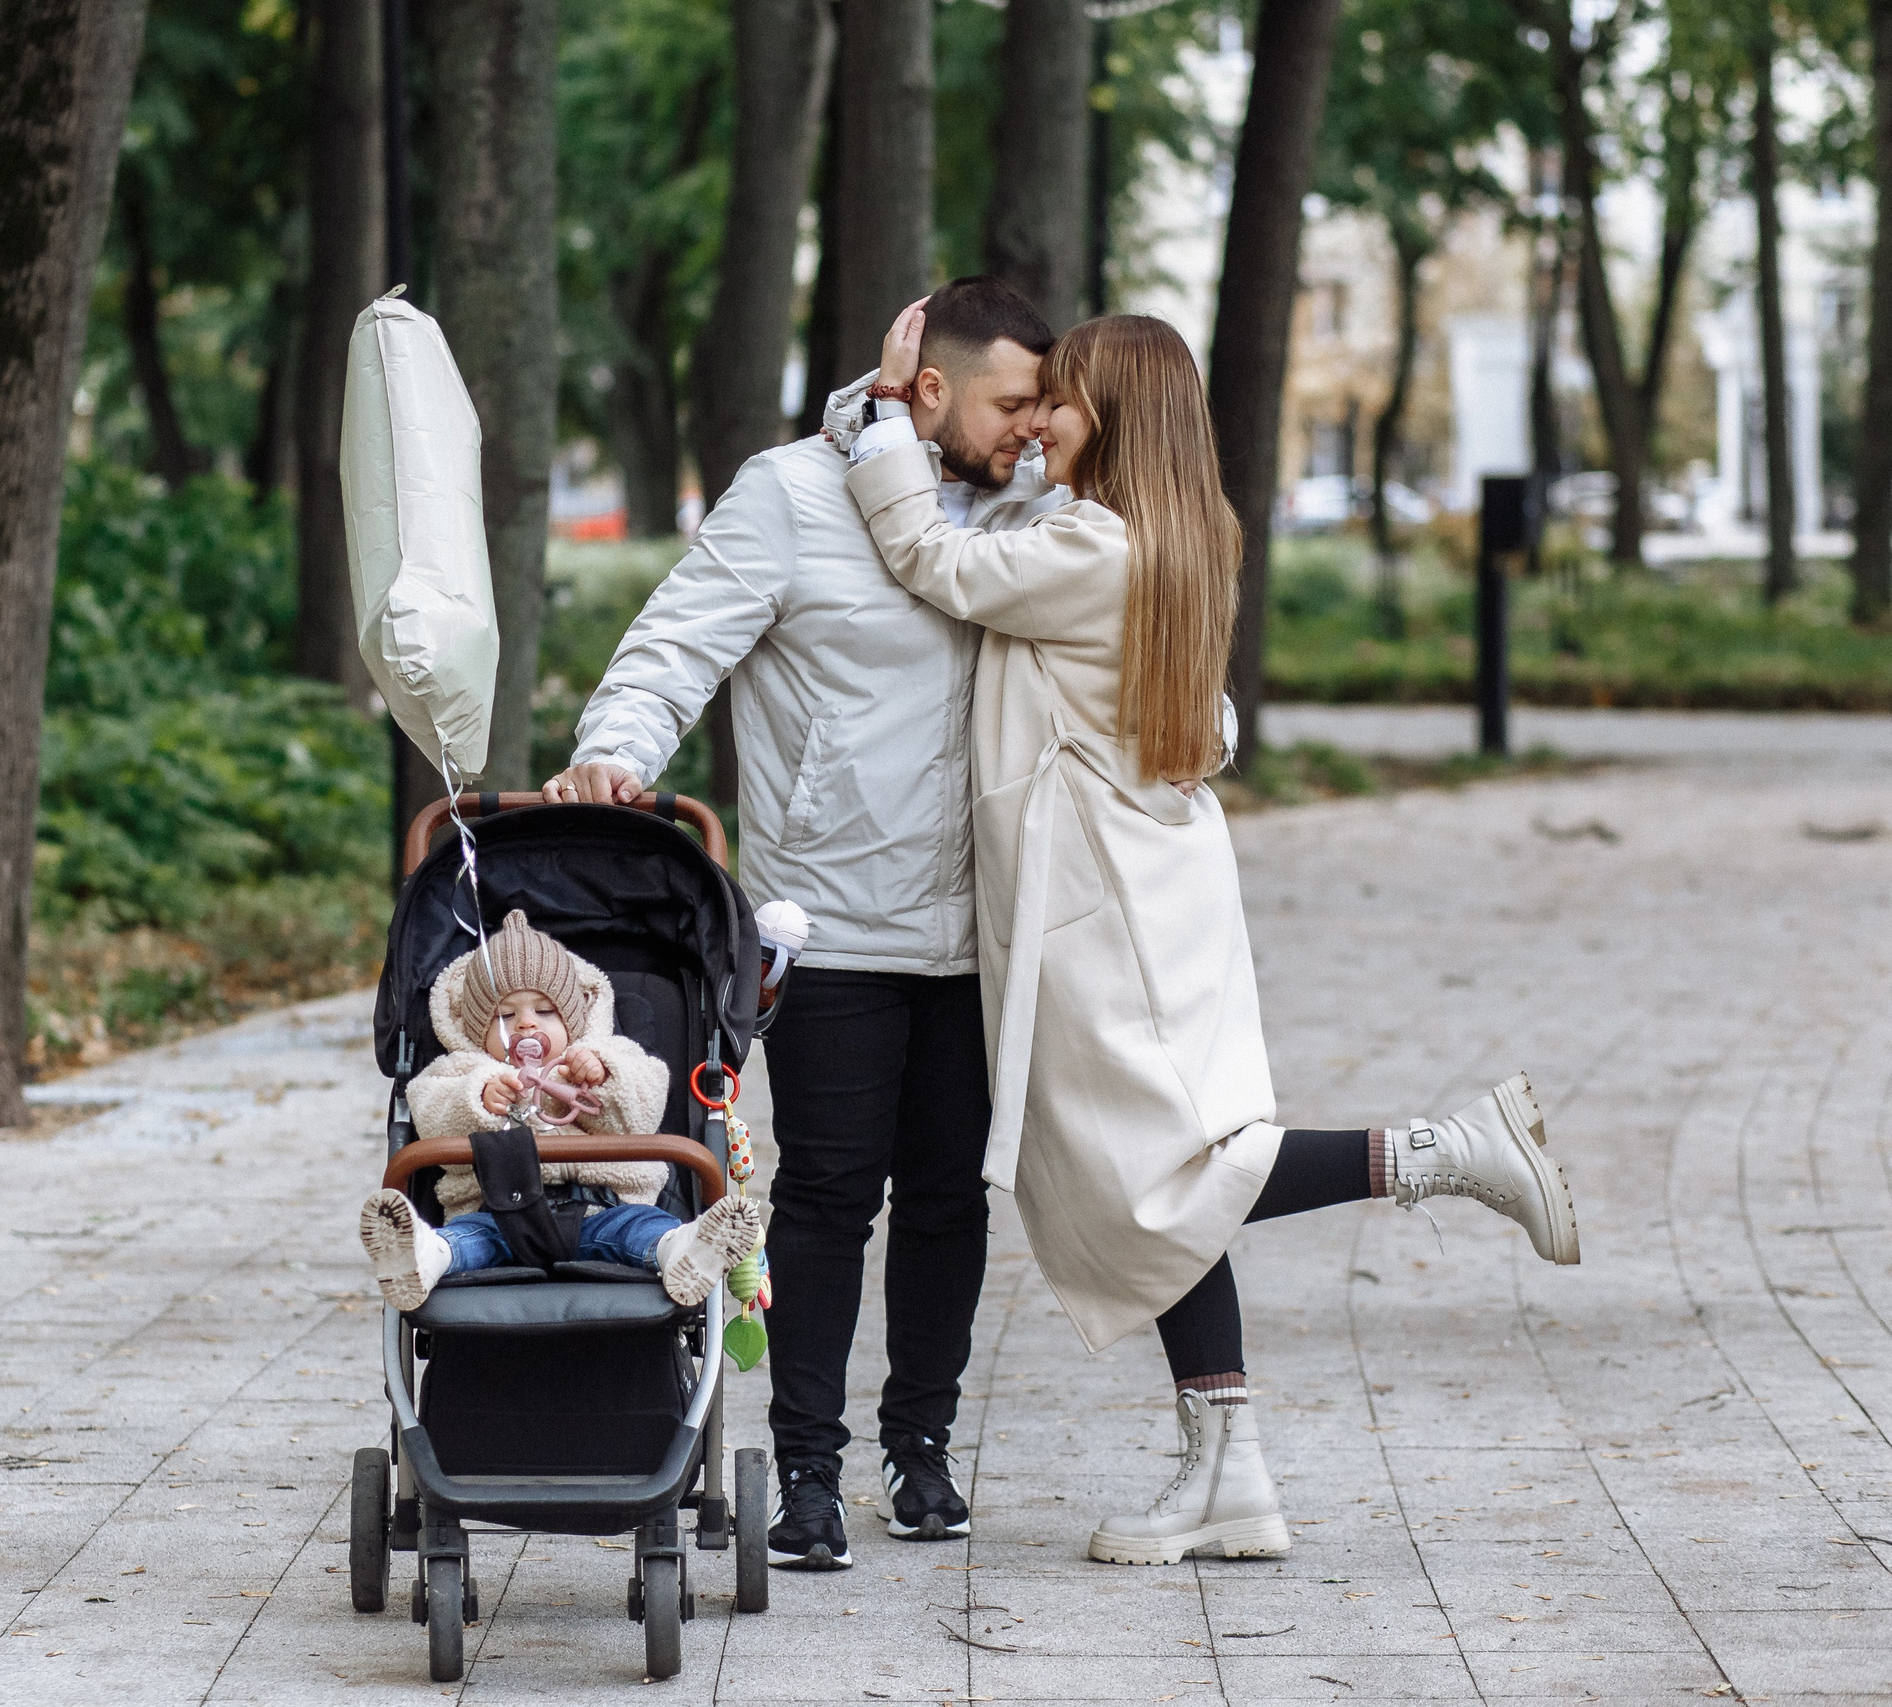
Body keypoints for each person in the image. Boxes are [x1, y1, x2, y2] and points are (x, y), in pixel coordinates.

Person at [845, 305, 1580, 1567]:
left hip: (1107, 917)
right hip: (1148, 893)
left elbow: (935, 561)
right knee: (1175, 1178)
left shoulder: (1090, 551)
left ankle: (1448, 1151)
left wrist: (878, 413)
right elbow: (1209, 723)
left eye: (1060, 404)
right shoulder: (1167, 539)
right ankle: (1226, 1473)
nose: (1038, 425)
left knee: (1169, 1179)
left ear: (1113, 419)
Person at [543, 276, 1064, 1569]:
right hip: (831, 920)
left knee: (952, 1196)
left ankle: (921, 1448)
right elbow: (675, 642)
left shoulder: (1029, 511)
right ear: (927, 388)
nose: (1031, 426)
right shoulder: (786, 495)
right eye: (1011, 400)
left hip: (985, 929)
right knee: (831, 1194)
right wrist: (612, 751)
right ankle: (811, 1471)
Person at [359, 909, 763, 1310]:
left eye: (545, 1011)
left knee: (645, 1230)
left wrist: (603, 1079)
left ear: (573, 1016)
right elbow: (430, 1111)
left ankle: (685, 1253)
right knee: (464, 1241)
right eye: (505, 1016)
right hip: (498, 1211)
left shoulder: (607, 1055)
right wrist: (478, 1099)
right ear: (477, 1028)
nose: (526, 1026)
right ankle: (421, 1257)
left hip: (603, 1207)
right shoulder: (465, 1070)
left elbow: (642, 1108)